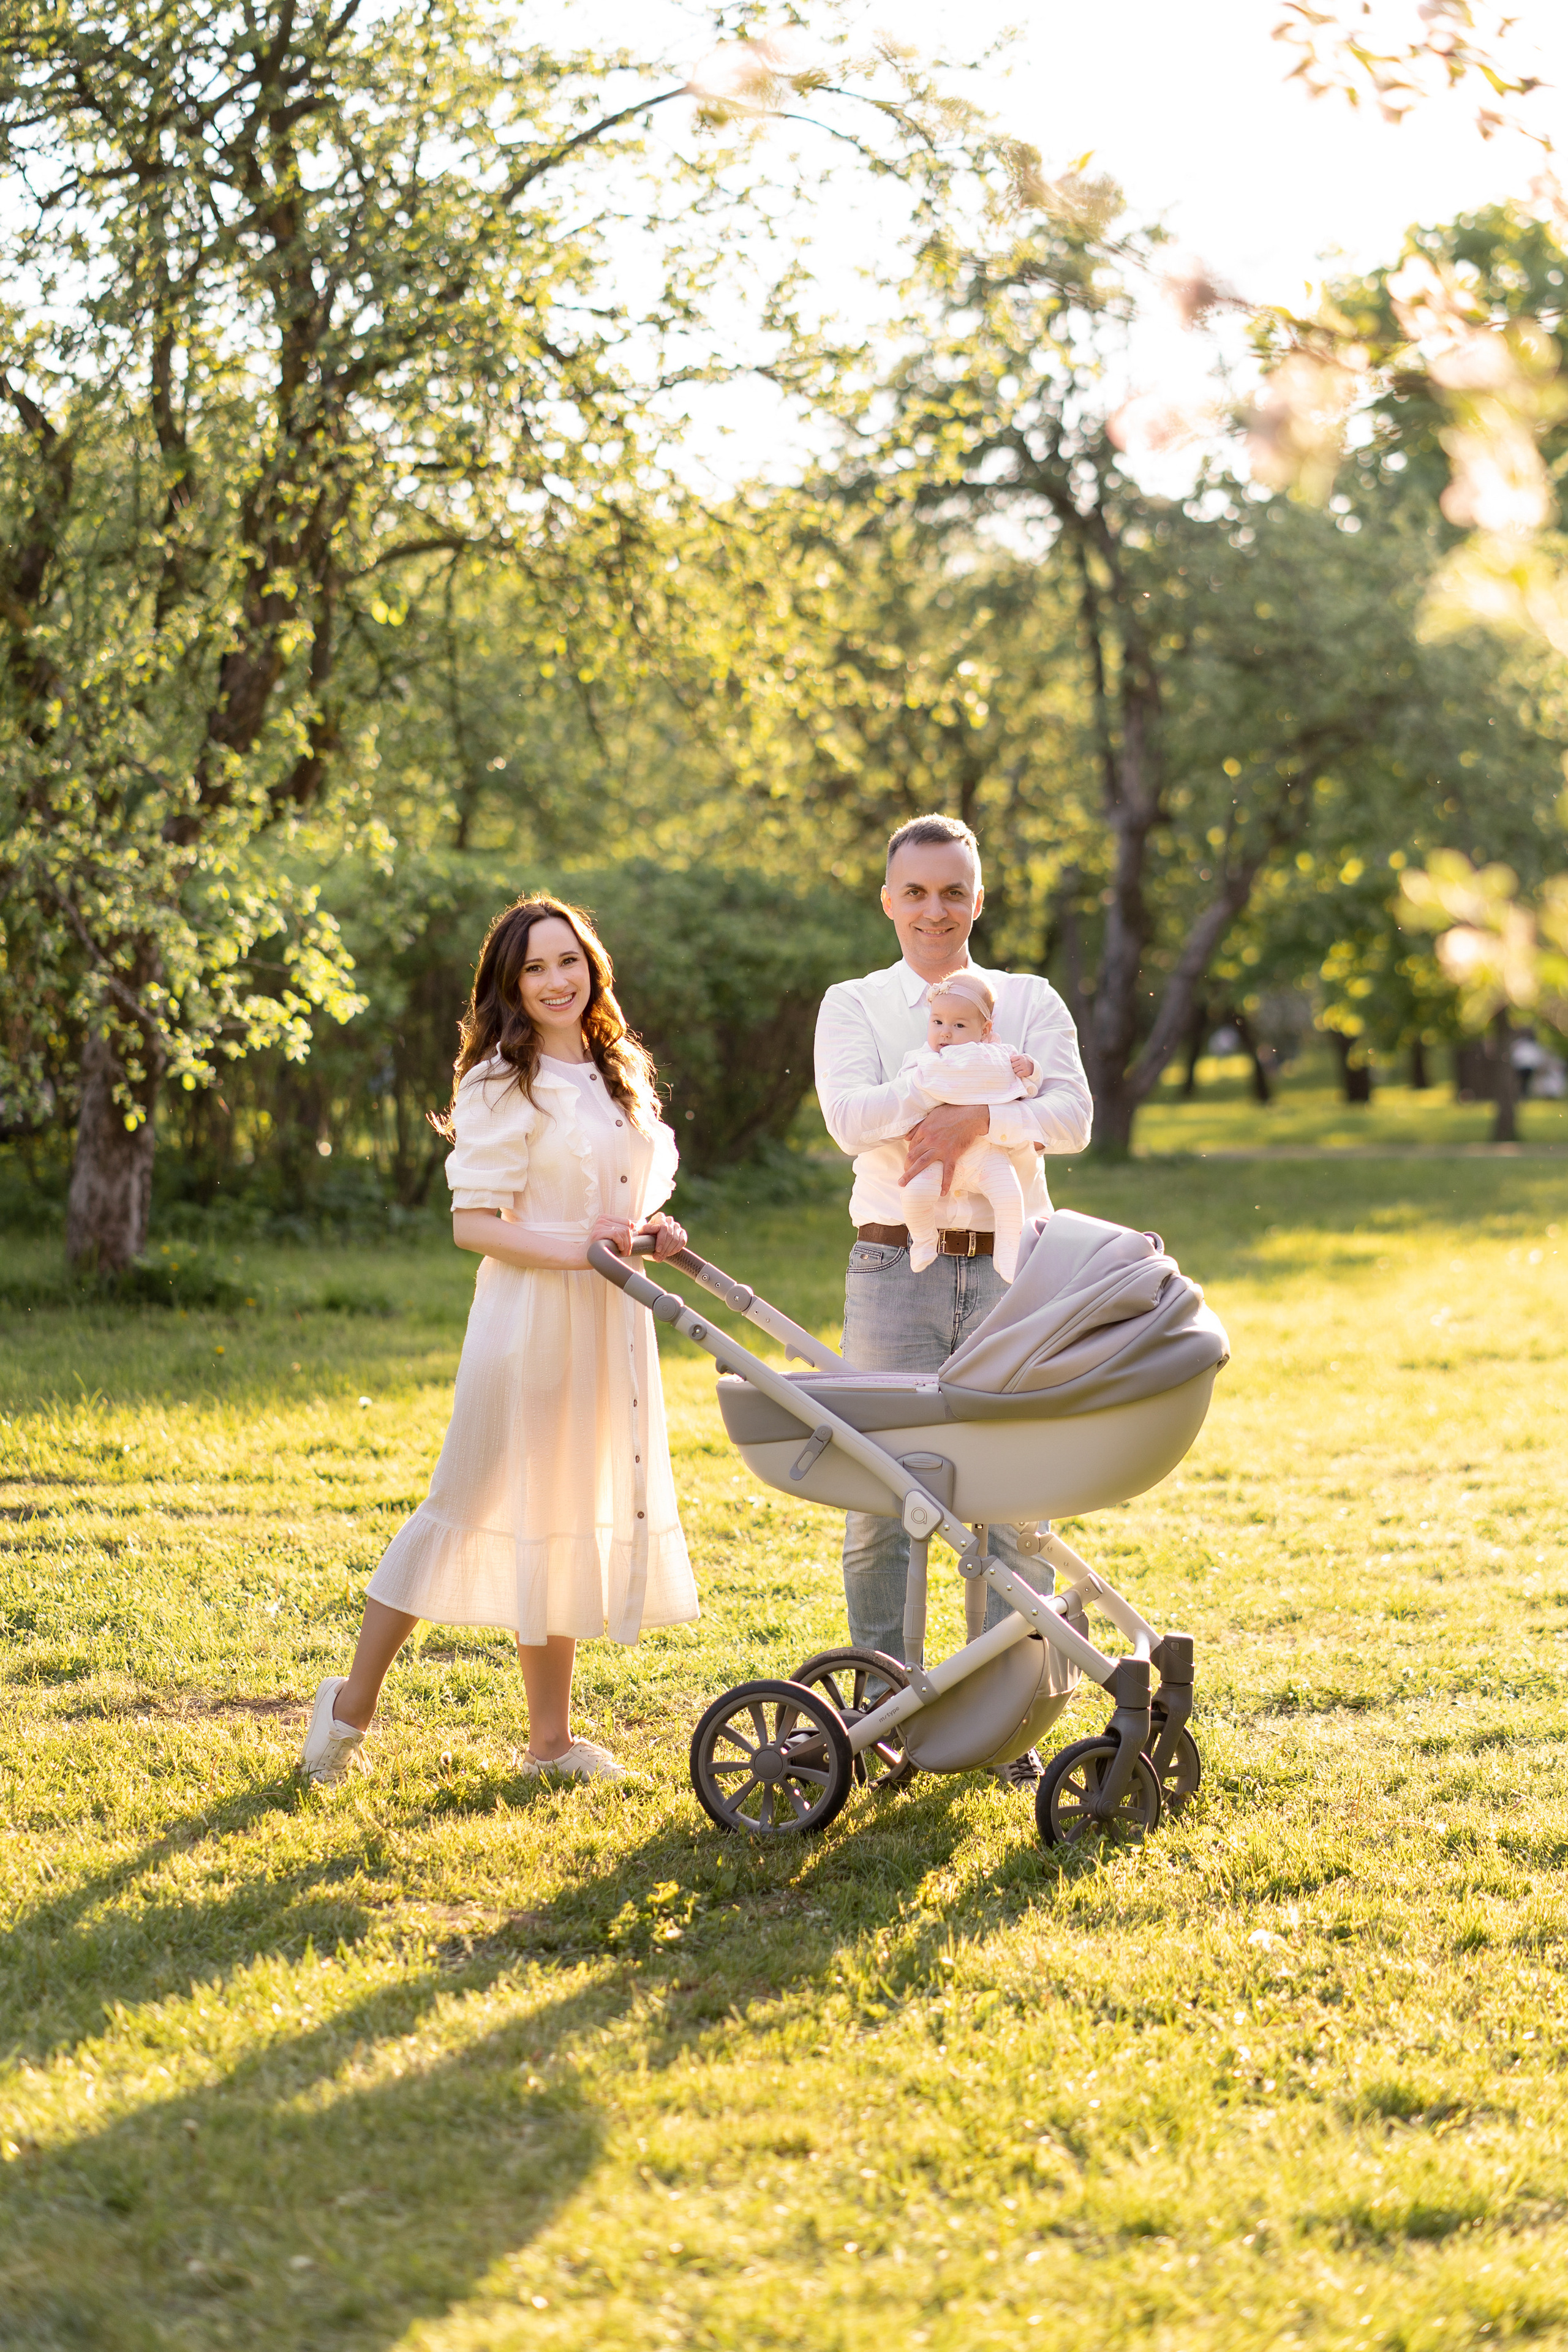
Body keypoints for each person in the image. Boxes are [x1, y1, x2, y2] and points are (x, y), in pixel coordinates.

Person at [300, 894, 698, 1790]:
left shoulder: (615, 1068)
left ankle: (549, 1745)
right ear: (509, 984)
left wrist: (649, 1232)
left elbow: (621, 1197)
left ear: (593, 967)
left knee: (558, 1515)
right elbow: (475, 1224)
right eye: (535, 967)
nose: (558, 981)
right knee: (463, 1504)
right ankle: (351, 1704)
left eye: (570, 961)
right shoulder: (498, 1083)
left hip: (608, 1315)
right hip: (529, 1321)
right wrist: (584, 1249)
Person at [813, 815, 1094, 1789]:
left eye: (954, 892)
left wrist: (980, 1114)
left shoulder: (1029, 998)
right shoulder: (854, 1003)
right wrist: (933, 1092)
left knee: (1012, 1498)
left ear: (980, 899)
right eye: (917, 892)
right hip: (898, 1265)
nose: (936, 911)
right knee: (883, 1498)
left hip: (1020, 1267)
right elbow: (851, 1121)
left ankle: (1002, 1725)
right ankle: (886, 1711)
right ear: (889, 900)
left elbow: (1073, 1118)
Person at [892, 970, 1040, 1281]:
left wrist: (1031, 1068)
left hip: (986, 1154)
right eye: (938, 1022)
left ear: (985, 1029)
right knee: (915, 1193)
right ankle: (923, 1238)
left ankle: (1009, 1250)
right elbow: (903, 1094)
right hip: (932, 1153)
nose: (945, 1033)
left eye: (959, 1025)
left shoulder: (999, 1055)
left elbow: (1029, 1086)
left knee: (1011, 1198)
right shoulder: (922, 1059)